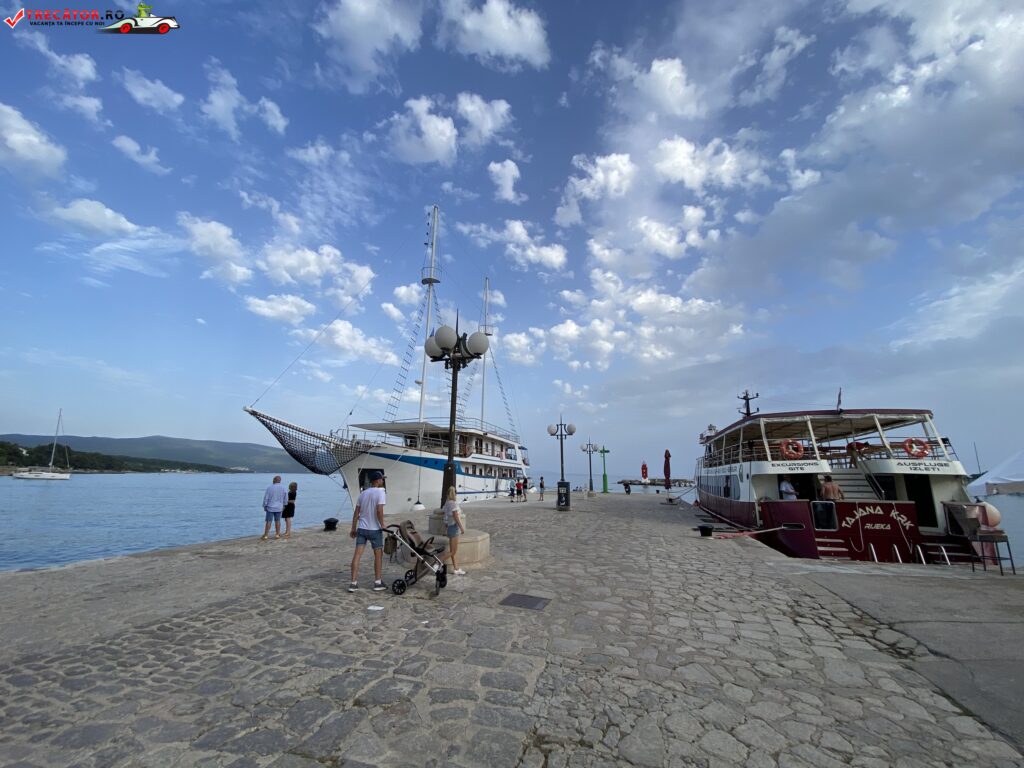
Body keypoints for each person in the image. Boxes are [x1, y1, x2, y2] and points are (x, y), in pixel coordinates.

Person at [349, 471, 388, 593]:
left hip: (362, 529)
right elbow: (379, 510)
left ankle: (353, 583)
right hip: (375, 529)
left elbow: (356, 513)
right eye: (382, 479)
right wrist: (382, 524)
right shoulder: (381, 492)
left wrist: (353, 528)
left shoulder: (363, 493)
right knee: (378, 556)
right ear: (377, 481)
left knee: (357, 555)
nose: (383, 481)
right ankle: (377, 582)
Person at [441, 486, 467, 575]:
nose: (456, 494)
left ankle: (456, 569)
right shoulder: (453, 504)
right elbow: (456, 517)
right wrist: (461, 528)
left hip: (450, 527)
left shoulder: (447, 503)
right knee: (453, 551)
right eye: (456, 493)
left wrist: (445, 528)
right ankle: (437, 562)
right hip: (454, 527)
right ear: (454, 493)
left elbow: (445, 516)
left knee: (453, 551)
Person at [261, 476, 288, 540]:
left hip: (270, 507)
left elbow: (266, 497)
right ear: (280, 480)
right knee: (277, 521)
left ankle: (266, 535)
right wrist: (284, 505)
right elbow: (286, 497)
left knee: (268, 521)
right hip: (279, 507)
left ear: (274, 480)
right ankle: (277, 534)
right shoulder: (283, 488)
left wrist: (264, 505)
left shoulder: (269, 487)